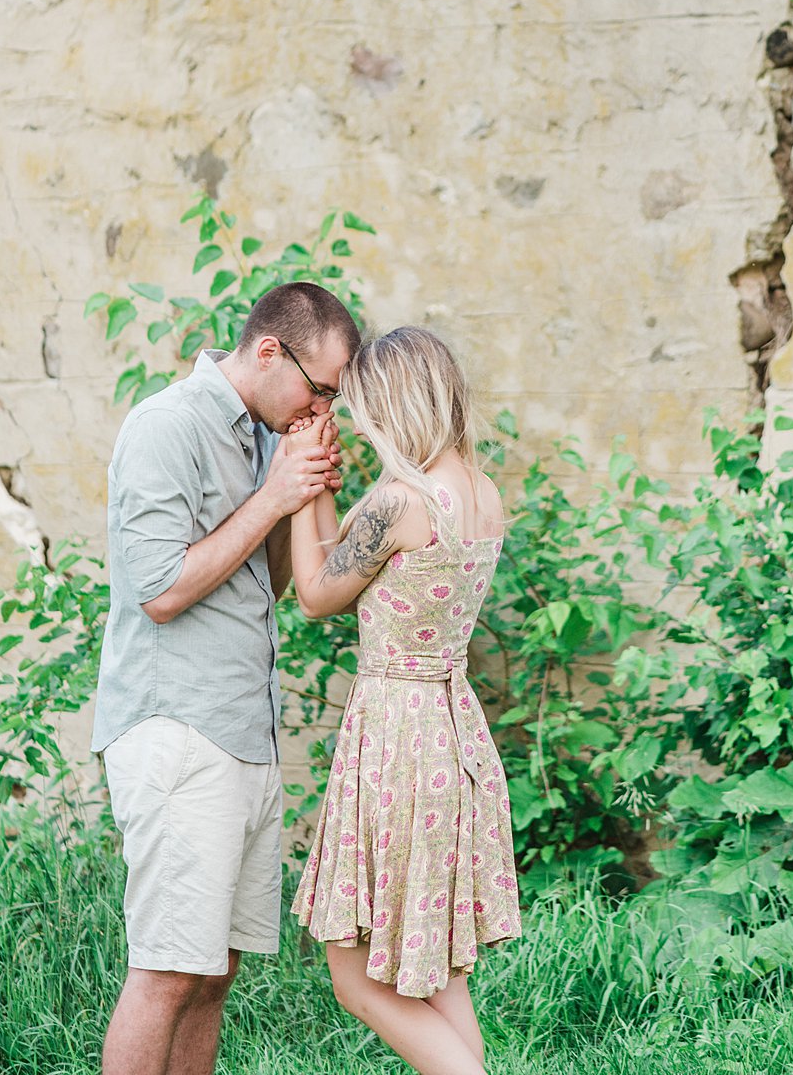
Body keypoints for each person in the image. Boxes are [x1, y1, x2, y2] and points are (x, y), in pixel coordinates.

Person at [92, 280, 361, 1075]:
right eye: (320, 389)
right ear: (271, 351)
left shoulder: (263, 435)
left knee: (213, 974)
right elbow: (162, 590)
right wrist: (275, 493)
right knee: (168, 971)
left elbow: (269, 585)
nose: (321, 408)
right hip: (179, 731)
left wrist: (301, 495)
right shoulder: (164, 428)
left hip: (247, 734)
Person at [287, 326, 521, 1075]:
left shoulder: (399, 502)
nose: (355, 420)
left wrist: (297, 488)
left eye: (360, 406)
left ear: (393, 402)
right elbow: (342, 565)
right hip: (451, 730)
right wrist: (324, 489)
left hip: (395, 737)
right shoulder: (480, 494)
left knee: (351, 973)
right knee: (442, 971)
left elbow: (318, 594)